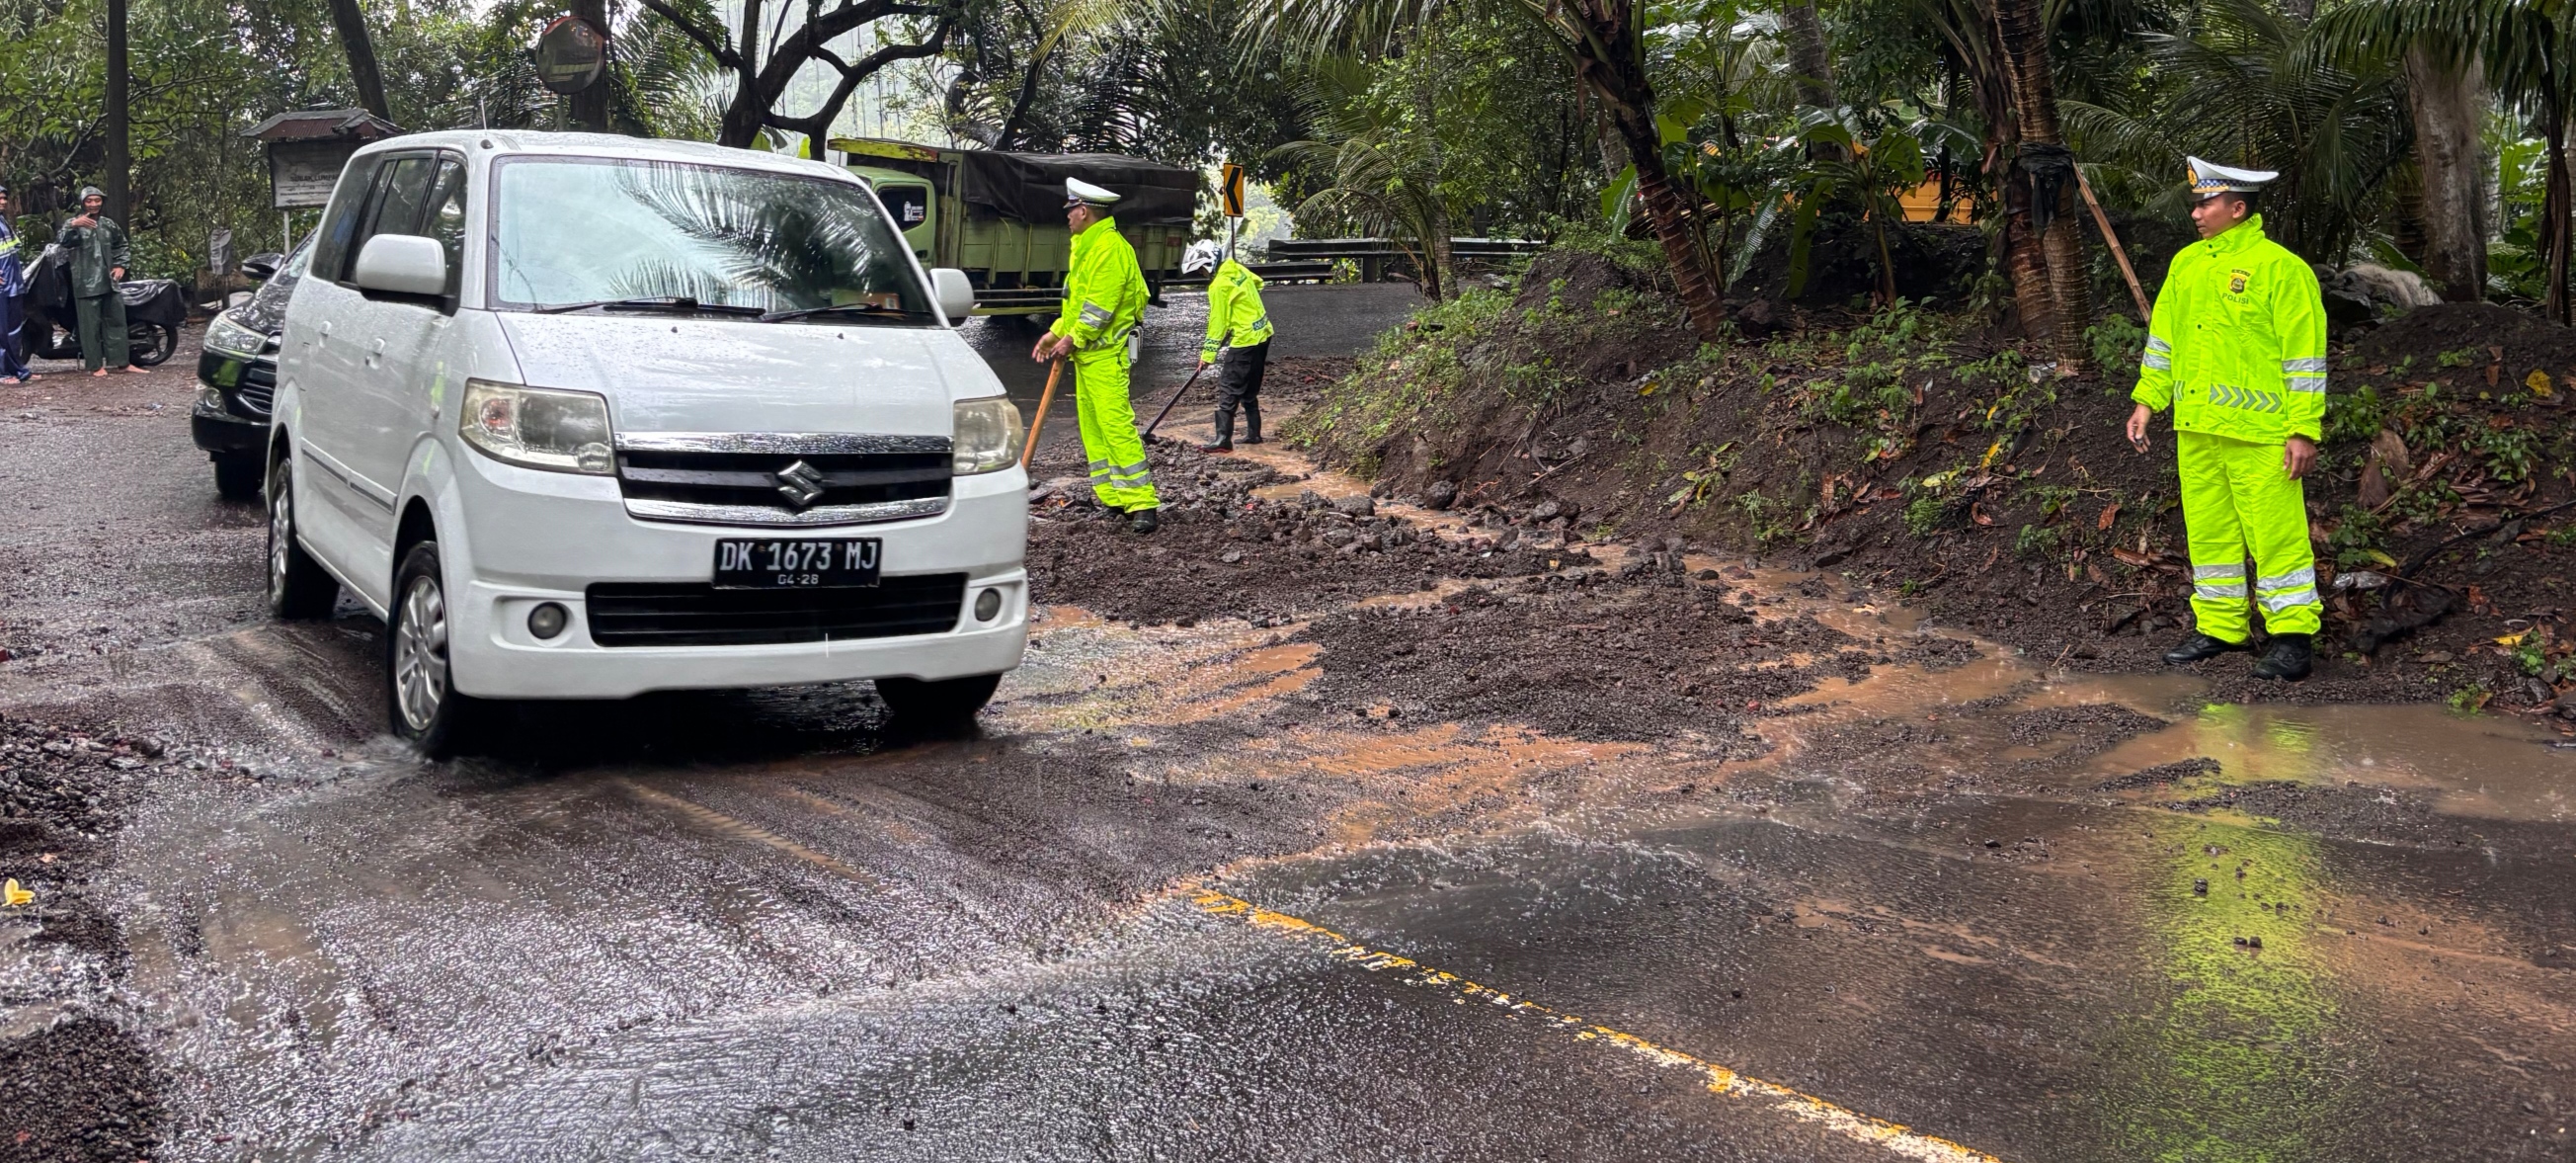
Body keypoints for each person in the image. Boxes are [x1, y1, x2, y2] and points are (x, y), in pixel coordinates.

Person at [2127, 156, 2327, 681]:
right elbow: (2164, 341)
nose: (2196, 213)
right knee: (2210, 535)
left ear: (2238, 208)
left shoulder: (2282, 269)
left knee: (2276, 536)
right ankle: (2220, 627)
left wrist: (2303, 429)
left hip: (2261, 434)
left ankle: (2292, 638)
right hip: (2197, 428)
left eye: (2206, 203)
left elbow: (2304, 359)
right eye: (2196, 204)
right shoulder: (2187, 265)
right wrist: (2147, 401)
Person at [1030, 178, 1159, 534]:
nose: (1068, 216)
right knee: (1094, 428)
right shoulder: (1088, 246)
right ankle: (1113, 498)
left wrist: (1073, 338)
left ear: (1084, 211)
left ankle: (1142, 503)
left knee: (1115, 426)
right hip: (1089, 356)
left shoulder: (1109, 248)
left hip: (1106, 355)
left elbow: (1100, 307)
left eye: (1070, 210)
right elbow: (1077, 303)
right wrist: (1055, 333)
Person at [1190, 240, 1275, 454]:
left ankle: (1223, 439)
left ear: (1209, 264)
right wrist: (1244, 310)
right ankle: (1254, 434)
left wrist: (1207, 355)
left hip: (1245, 340)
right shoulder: (1236, 268)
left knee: (1229, 386)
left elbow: (1217, 323)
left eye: (1201, 269)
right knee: (1250, 388)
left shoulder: (1218, 285)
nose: (1201, 273)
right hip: (1263, 333)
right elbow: (1259, 283)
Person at [61, 185, 143, 377]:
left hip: (110, 281)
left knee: (117, 322)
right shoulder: (74, 224)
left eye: (97, 200)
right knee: (90, 327)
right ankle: (95, 366)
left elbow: (121, 244)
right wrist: (73, 225)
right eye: (89, 201)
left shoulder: (108, 224)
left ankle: (122, 363)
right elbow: (62, 242)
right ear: (82, 203)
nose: (93, 204)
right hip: (86, 283)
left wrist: (121, 265)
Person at [0, 185, 32, 384]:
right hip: (3, 284)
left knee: (13, 330)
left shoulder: (3, 221)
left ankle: (17, 369)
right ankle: (2, 373)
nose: (3, 202)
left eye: (4, 198)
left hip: (12, 282)